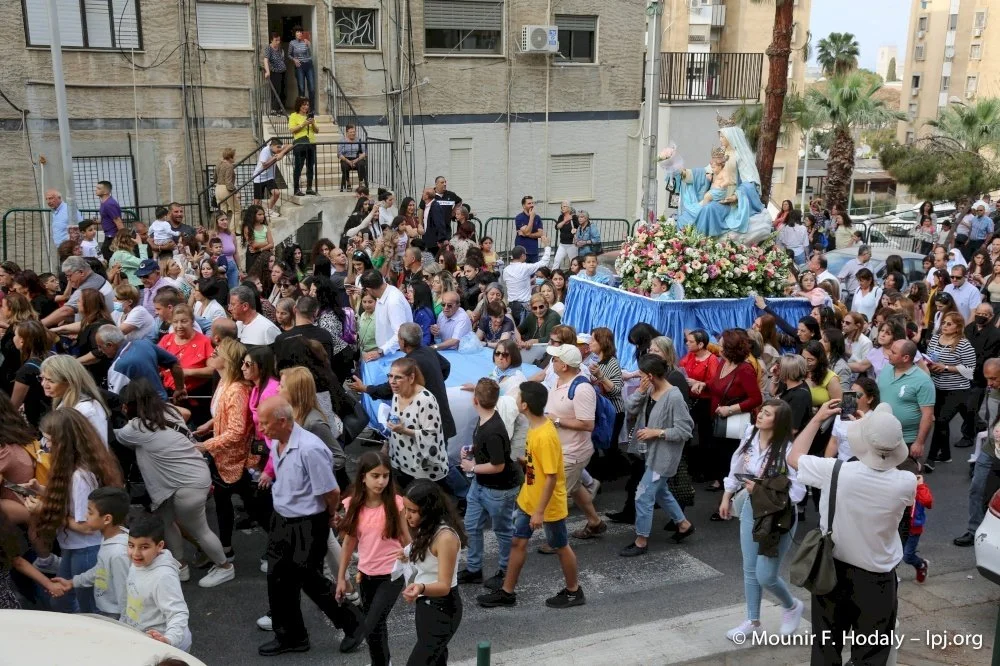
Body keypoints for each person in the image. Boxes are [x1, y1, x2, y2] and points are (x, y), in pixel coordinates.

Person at [788, 400, 917, 666]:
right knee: (871, 655)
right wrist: (871, 429)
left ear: (862, 444)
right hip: (877, 579)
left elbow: (794, 457)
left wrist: (817, 419)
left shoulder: (834, 471)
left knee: (826, 649)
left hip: (831, 570)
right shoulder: (904, 484)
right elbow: (892, 466)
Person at [256, 396, 361, 656]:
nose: (261, 429)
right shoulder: (278, 441)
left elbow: (331, 491)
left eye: (265, 423)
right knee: (278, 578)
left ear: (282, 421)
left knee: (310, 579)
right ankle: (291, 637)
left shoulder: (310, 449)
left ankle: (354, 624)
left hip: (307, 524)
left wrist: (328, 517)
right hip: (282, 519)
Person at [114, 380, 234, 589]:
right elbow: (186, 414)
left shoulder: (136, 428)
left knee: (199, 529)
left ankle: (225, 568)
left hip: (186, 485)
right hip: (192, 475)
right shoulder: (167, 410)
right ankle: (180, 566)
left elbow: (114, 436)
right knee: (166, 520)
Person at [477, 381, 584, 609]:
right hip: (530, 498)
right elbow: (543, 467)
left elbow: (552, 477)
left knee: (560, 545)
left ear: (524, 405)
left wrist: (539, 512)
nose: (515, 399)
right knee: (518, 542)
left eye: (518, 397)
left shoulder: (544, 436)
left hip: (546, 505)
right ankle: (507, 592)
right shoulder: (535, 427)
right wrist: (527, 462)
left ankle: (574, 591)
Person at [719, 399, 805, 642]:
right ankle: (752, 620)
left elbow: (798, 493)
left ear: (778, 423)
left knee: (766, 574)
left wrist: (761, 488)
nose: (760, 416)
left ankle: (791, 606)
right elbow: (735, 467)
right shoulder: (749, 435)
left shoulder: (788, 450)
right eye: (762, 411)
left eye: (767, 414)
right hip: (750, 508)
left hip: (780, 516)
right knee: (749, 568)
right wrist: (727, 496)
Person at [24, 408, 123, 613]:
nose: (45, 444)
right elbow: (73, 500)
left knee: (88, 608)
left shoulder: (80, 476)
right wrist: (40, 490)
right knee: (62, 601)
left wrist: (45, 508)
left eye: (49, 439)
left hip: (86, 549)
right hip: (75, 547)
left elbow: (87, 527)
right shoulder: (81, 467)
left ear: (65, 442)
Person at [335, 451, 408, 664]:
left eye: (385, 476)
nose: (381, 481)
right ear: (363, 477)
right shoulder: (353, 504)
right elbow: (349, 543)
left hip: (392, 574)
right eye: (375, 476)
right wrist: (341, 578)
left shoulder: (396, 503)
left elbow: (405, 538)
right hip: (366, 575)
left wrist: (413, 561)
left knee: (372, 625)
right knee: (377, 626)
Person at [619, 355, 695, 556]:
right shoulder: (650, 390)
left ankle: (641, 540)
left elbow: (685, 430)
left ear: (650, 375)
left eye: (642, 374)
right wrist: (640, 392)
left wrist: (657, 432)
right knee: (661, 491)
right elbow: (630, 408)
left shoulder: (674, 397)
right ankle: (684, 524)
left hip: (663, 458)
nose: (639, 377)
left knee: (643, 496)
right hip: (650, 454)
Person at [457, 378, 519, 590]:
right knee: (471, 525)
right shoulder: (485, 418)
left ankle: (505, 572)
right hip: (482, 485)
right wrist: (472, 450)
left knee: (502, 531)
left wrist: (471, 467)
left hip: (499, 489)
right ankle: (474, 569)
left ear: (475, 400)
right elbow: (486, 449)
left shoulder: (492, 429)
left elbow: (498, 465)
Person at [350, 323, 457, 441]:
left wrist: (365, 388)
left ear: (403, 341)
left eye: (398, 338)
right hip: (440, 419)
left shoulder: (409, 363)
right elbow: (446, 366)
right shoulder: (428, 351)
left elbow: (389, 389)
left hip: (423, 426)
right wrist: (433, 384)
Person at [543, 344, 607, 542]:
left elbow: (587, 424)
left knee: (555, 498)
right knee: (576, 487)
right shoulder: (559, 380)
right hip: (561, 449)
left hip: (573, 452)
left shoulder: (582, 389)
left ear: (564, 366)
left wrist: (557, 421)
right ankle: (595, 523)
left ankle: (556, 542)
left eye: (555, 359)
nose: (552, 362)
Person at [399, 479, 467, 663]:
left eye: (412, 511)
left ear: (428, 510)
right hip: (426, 606)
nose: (407, 516)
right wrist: (406, 552)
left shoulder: (445, 538)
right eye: (406, 509)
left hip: (442, 608)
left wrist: (420, 587)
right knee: (436, 660)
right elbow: (425, 553)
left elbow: (444, 585)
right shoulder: (426, 528)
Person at [691, 330, 763, 491]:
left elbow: (756, 398)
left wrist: (730, 409)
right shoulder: (723, 363)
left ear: (729, 348)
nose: (718, 347)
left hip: (733, 422)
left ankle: (730, 496)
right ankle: (722, 484)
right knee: (719, 453)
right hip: (718, 418)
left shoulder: (745, 369)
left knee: (731, 457)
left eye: (721, 345)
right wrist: (704, 384)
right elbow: (716, 382)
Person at [47, 486, 129, 618]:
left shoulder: (118, 553)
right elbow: (100, 570)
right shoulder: (108, 540)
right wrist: (73, 582)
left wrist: (125, 626)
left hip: (116, 616)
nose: (85, 516)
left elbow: (125, 594)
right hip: (107, 610)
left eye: (90, 513)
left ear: (107, 519)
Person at [117, 513, 192, 650]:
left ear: (159, 546)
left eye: (144, 547)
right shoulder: (137, 563)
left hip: (164, 644)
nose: (136, 553)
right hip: (143, 638)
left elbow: (178, 613)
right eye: (131, 545)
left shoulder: (163, 577)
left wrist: (169, 640)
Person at [384, 358, 449, 485]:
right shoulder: (397, 394)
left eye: (398, 377)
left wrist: (404, 431)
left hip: (423, 470)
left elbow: (431, 435)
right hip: (400, 463)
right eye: (390, 376)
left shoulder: (425, 400)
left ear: (411, 378)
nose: (392, 381)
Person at [925, 311, 976, 467]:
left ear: (957, 327)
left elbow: (970, 369)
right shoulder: (934, 339)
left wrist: (946, 367)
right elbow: (929, 358)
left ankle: (931, 458)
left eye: (949, 324)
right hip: (937, 386)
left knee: (941, 420)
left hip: (957, 389)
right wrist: (930, 366)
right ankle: (945, 454)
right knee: (942, 422)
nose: (944, 326)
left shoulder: (963, 344)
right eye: (944, 323)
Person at [877, 339, 936, 465]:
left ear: (905, 358)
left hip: (906, 441)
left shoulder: (923, 381)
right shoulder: (886, 369)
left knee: (905, 479)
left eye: (893, 352)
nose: (888, 354)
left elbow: (928, 415)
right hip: (882, 436)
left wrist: (919, 443)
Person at [96, 326, 184, 401]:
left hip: (146, 415)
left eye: (100, 346)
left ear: (110, 345)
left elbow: (116, 401)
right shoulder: (144, 344)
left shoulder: (118, 367)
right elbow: (174, 363)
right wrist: (179, 388)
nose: (99, 350)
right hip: (165, 406)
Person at [39, 354, 110, 448]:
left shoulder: (88, 410)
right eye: (42, 378)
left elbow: (99, 449)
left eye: (51, 381)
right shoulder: (63, 400)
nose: (44, 384)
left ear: (69, 381)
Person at [42, 256, 115, 328]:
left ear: (81, 272)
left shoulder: (86, 289)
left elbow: (66, 310)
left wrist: (40, 324)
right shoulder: (97, 278)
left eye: (69, 276)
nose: (68, 279)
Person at [502, 245, 552, 324]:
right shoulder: (525, 267)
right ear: (522, 255)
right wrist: (547, 246)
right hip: (524, 306)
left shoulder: (506, 270)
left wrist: (529, 282)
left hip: (511, 306)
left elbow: (515, 283)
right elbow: (544, 262)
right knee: (525, 331)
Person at [95, 180, 124, 261]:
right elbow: (107, 218)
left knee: (107, 257)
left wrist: (123, 236)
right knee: (106, 257)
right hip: (108, 235)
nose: (96, 190)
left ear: (106, 191)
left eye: (99, 188)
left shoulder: (109, 204)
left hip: (113, 236)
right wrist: (97, 221)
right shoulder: (104, 203)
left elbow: (118, 221)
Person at [514, 195, 545, 262]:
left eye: (532, 203)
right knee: (522, 272)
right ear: (523, 206)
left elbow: (540, 233)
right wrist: (531, 218)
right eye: (529, 203)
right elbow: (527, 231)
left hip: (534, 251)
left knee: (534, 272)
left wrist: (526, 235)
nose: (532, 205)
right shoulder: (519, 217)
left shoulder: (537, 217)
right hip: (522, 253)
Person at [338, 125, 368, 190]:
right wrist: (348, 162)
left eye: (354, 132)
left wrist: (356, 160)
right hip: (346, 159)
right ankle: (348, 183)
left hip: (357, 158)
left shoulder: (359, 140)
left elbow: (365, 153)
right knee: (344, 166)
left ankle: (360, 183)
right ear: (347, 132)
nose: (353, 133)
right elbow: (339, 154)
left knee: (361, 164)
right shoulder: (342, 141)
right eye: (351, 132)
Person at [407, 280, 436, 346]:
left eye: (411, 291)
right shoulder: (416, 309)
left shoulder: (424, 314)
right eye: (408, 291)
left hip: (422, 350)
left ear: (419, 293)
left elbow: (426, 339)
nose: (408, 294)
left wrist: (415, 352)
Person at [552, 201, 578, 269]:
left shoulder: (574, 217)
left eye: (564, 206)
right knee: (556, 260)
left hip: (572, 244)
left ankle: (573, 276)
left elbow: (579, 227)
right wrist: (565, 220)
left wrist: (576, 230)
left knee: (573, 262)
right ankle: (553, 275)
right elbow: (557, 227)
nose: (562, 208)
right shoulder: (561, 217)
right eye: (561, 207)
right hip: (562, 244)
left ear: (569, 208)